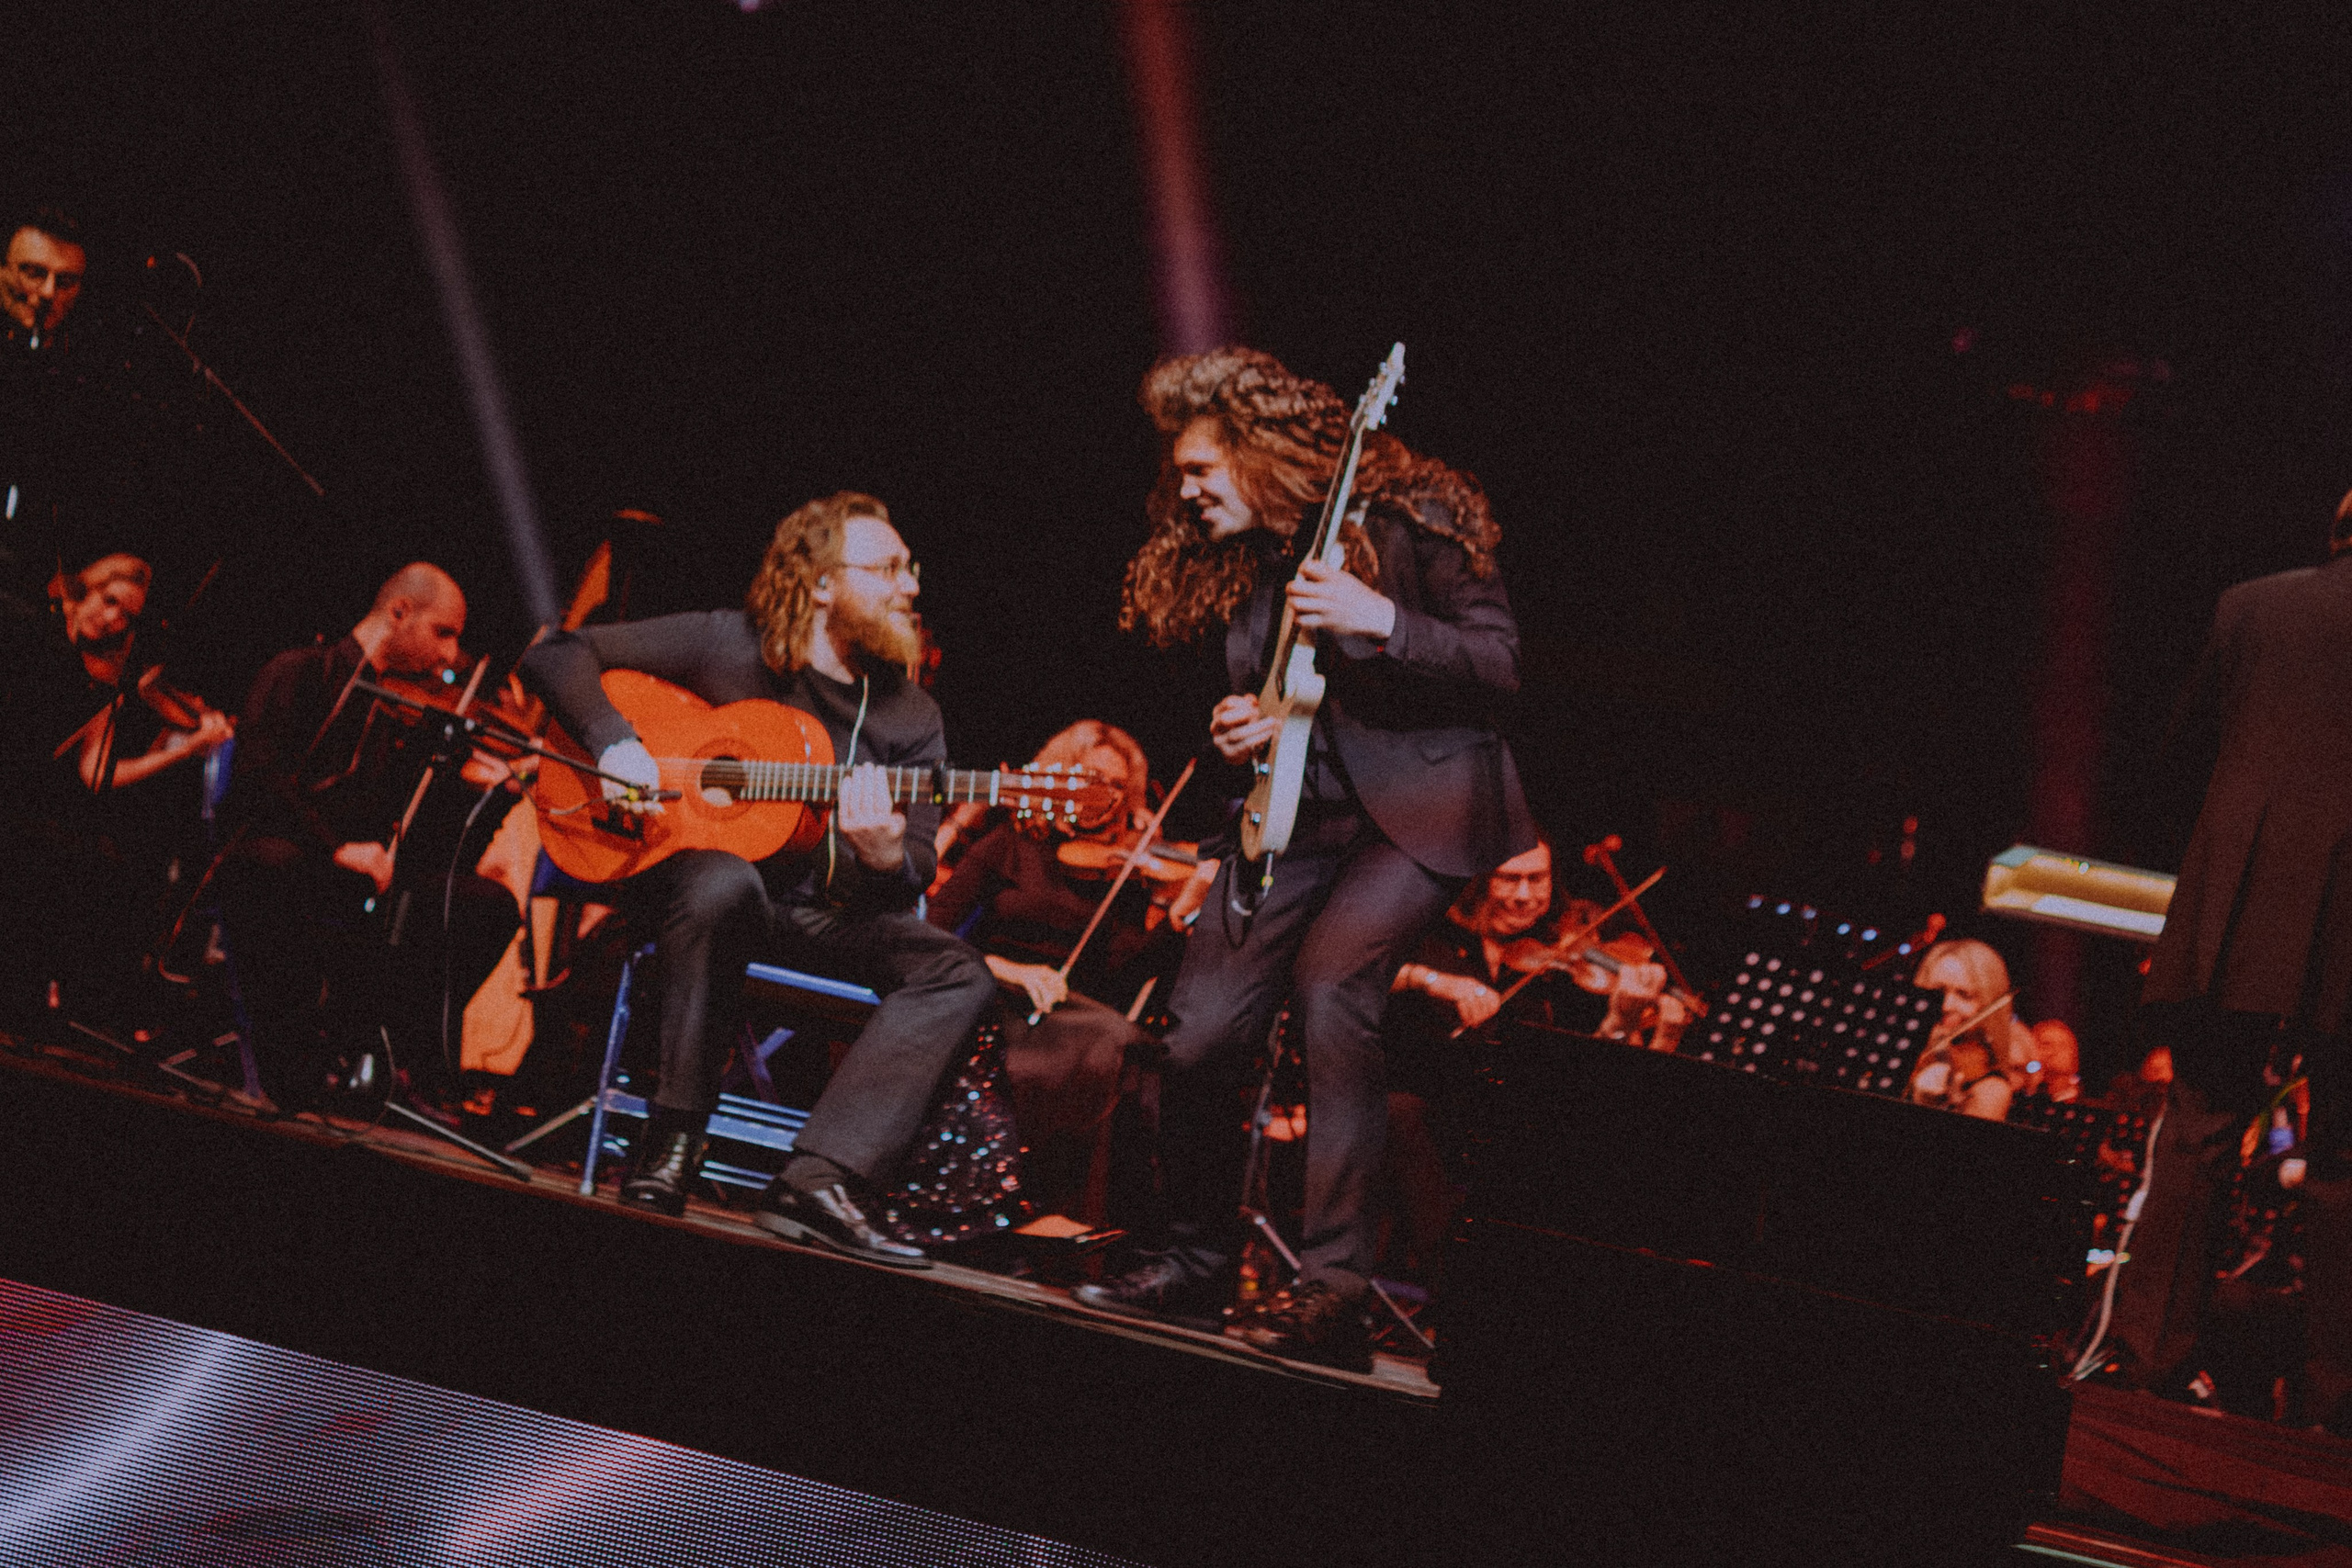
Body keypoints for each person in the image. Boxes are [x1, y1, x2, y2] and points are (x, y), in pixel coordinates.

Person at [1072, 346, 1536, 1370]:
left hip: (1414, 814)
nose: (1184, 492)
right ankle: (1192, 1264)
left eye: (1201, 470)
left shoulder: (1414, 517)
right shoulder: (1246, 565)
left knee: (1333, 994)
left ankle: (1333, 1296)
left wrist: (1383, 620)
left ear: (1264, 452)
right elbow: (1277, 705)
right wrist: (1235, 728)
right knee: (1195, 1036)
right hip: (1289, 821)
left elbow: (1500, 667)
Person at [518, 491, 995, 1268]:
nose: (910, 586)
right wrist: (613, 746)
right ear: (820, 582)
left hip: (822, 914)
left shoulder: (910, 716)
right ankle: (674, 1136)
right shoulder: (728, 644)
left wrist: (880, 854)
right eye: (888, 568)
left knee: (956, 971)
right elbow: (556, 653)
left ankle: (818, 1178)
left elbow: (914, 864)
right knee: (723, 881)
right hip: (694, 890)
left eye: (911, 569)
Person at [2110, 491, 2352, 1428]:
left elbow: (2176, 759)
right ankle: (2339, 1398)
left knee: (2199, 1126)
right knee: (2342, 1162)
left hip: (2240, 908)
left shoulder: (2247, 606)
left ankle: (2146, 1360)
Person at [218, 563, 518, 1114]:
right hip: (281, 853)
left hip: (349, 872)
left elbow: (413, 842)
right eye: (443, 633)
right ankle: (295, 1059)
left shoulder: (393, 710)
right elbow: (257, 777)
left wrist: (488, 795)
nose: (453, 656)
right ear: (399, 613)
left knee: (484, 905)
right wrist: (332, 846)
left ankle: (388, 1055)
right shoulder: (300, 670)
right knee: (277, 865)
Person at [925, 719, 1209, 1227]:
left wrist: (1178, 916)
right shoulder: (1009, 842)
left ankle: (1083, 1219)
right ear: (1062, 774)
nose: (1108, 794)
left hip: (1070, 1012)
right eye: (1094, 776)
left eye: (1120, 786)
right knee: (1112, 1041)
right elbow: (934, 934)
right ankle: (1031, 1201)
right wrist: (1009, 970)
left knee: (1130, 1045)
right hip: (991, 996)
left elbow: (1124, 972)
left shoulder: (1123, 868)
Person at [1378, 837, 1682, 1290]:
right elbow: (1363, 974)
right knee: (1400, 1111)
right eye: (1509, 878)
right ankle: (1455, 1284)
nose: (1524, 896)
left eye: (1537, 879)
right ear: (1478, 880)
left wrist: (1622, 1020)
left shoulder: (1561, 964)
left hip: (1514, 1122)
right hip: (1425, 1104)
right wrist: (1435, 982)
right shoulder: (1427, 928)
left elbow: (1595, 1081)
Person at [0, 552, 231, 1024]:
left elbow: (97, 774)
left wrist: (182, 751)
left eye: (127, 617)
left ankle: (66, 1007)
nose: (110, 621)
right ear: (87, 589)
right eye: (108, 602)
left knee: (99, 859)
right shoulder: (25, 628)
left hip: (23, 801)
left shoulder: (102, 679)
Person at [1903, 939, 2027, 1121]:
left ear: (1988, 1001)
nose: (1946, 1005)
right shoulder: (1903, 1058)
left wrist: (1926, 1107)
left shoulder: (1991, 1090)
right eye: (1938, 991)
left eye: (1964, 995)